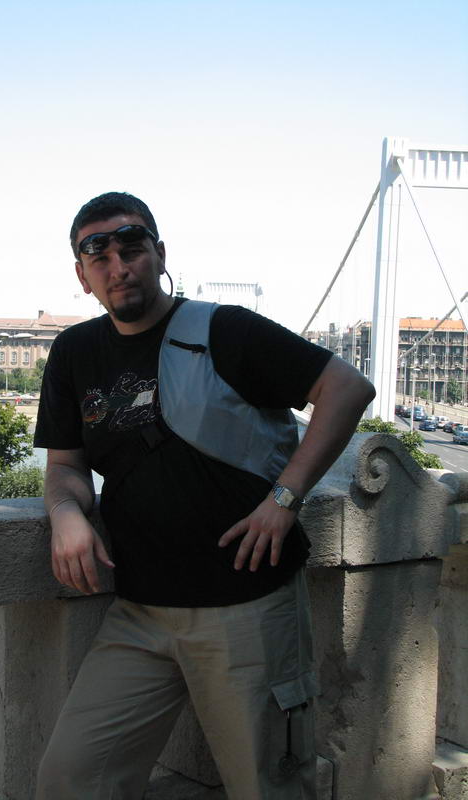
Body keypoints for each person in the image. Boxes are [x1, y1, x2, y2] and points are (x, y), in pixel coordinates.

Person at [33, 192, 375, 800]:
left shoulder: (225, 330)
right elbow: (65, 466)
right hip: (139, 612)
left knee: (267, 785)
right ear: (82, 276)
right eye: (99, 256)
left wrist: (285, 498)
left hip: (249, 605)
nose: (118, 266)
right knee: (73, 777)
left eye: (132, 247)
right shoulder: (75, 353)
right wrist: (65, 513)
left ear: (160, 254)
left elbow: (346, 388)